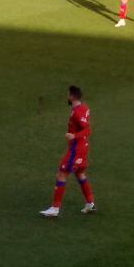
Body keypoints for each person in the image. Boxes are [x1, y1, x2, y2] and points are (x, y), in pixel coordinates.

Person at [40, 85, 96, 218]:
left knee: (61, 174)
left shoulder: (77, 112)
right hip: (82, 147)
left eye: (68, 94)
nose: (67, 97)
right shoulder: (83, 107)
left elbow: (88, 130)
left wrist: (74, 136)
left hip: (77, 149)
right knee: (80, 173)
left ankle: (55, 208)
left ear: (71, 96)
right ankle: (90, 203)